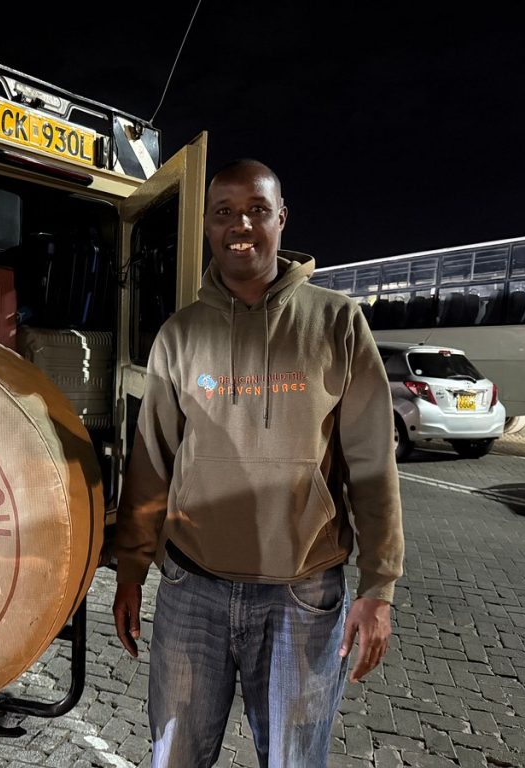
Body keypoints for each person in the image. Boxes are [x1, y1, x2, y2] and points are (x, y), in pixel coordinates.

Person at [111, 159, 404, 767]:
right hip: (192, 587)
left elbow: (373, 463)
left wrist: (379, 586)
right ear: (207, 225)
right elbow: (151, 462)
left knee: (295, 760)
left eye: (256, 210)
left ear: (281, 219)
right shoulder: (180, 334)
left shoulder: (337, 322)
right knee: (174, 755)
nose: (240, 225)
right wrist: (132, 568)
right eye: (224, 212)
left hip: (304, 592)